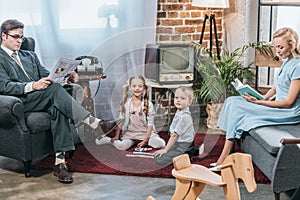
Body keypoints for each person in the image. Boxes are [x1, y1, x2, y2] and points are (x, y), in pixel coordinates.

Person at [0, 19, 119, 184]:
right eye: (15, 37)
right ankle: (92, 122)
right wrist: (33, 85)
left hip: (40, 97)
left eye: (22, 37)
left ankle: (60, 163)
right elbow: (5, 86)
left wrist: (65, 77)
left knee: (58, 105)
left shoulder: (30, 56)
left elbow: (46, 76)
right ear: (3, 36)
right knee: (56, 93)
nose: (20, 41)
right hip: (20, 101)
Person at [214, 27, 300, 167]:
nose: (277, 51)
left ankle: (224, 157)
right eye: (275, 47)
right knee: (232, 100)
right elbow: (277, 86)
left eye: (281, 47)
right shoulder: (286, 61)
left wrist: (260, 103)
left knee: (237, 109)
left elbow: (289, 102)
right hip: (277, 104)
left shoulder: (297, 67)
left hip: (288, 111)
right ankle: (228, 146)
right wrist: (263, 98)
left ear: (292, 45)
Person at [95, 75, 166, 150]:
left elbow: (150, 123)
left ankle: (144, 140)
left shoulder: (148, 104)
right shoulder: (126, 104)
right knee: (122, 146)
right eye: (134, 86)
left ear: (144, 88)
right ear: (130, 87)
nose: (137, 88)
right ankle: (107, 140)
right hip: (131, 133)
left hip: (145, 133)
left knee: (161, 144)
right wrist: (116, 136)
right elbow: (121, 120)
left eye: (140, 86)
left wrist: (145, 140)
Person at [154, 86, 197, 166]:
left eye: (182, 98)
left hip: (184, 145)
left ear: (189, 101)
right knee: (164, 153)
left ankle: (187, 155)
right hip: (179, 143)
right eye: (176, 97)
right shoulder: (179, 111)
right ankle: (193, 151)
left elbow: (174, 135)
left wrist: (165, 150)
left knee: (159, 159)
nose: (178, 100)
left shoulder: (184, 116)